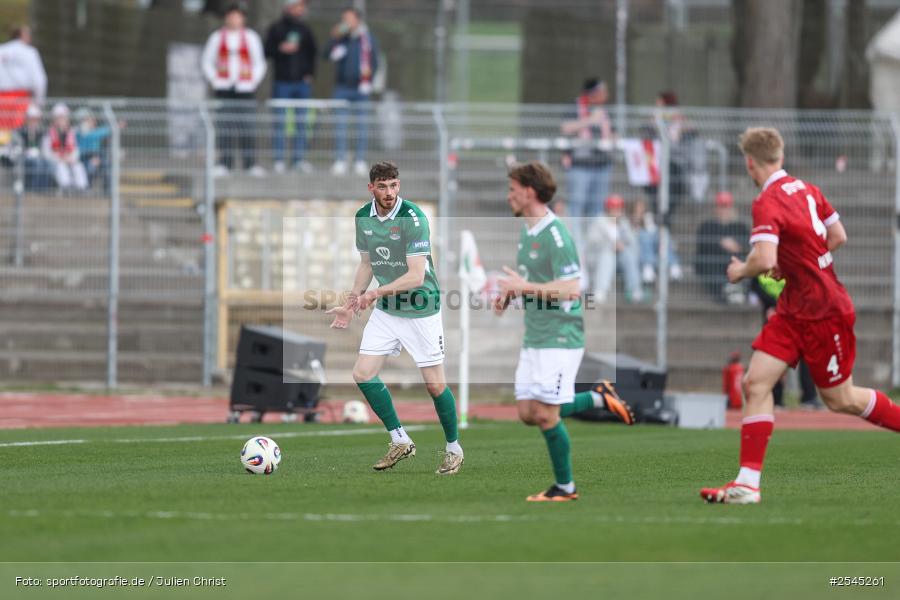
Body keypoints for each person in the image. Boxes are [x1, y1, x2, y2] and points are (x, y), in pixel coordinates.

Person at [700, 127, 900, 505]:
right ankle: (747, 485)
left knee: (841, 400)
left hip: (824, 310)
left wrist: (742, 270)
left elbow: (764, 260)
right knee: (755, 384)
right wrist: (800, 264)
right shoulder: (806, 188)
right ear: (781, 155)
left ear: (749, 162)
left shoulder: (766, 201)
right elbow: (837, 235)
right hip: (795, 308)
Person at [494, 161, 634, 502]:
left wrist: (523, 285)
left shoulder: (556, 235)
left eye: (513, 190)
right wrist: (510, 295)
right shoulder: (528, 230)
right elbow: (536, 284)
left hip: (560, 335)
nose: (508, 196)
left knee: (545, 413)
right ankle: (599, 397)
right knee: (528, 413)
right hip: (536, 335)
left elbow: (572, 289)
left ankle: (566, 487)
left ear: (529, 192)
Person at [325, 161, 463, 475]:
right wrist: (350, 302)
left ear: (399, 185)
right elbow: (367, 264)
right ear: (371, 188)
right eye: (383, 186)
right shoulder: (363, 217)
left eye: (394, 185)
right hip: (389, 311)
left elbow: (416, 276)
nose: (389, 192)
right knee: (362, 373)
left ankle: (454, 448)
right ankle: (400, 439)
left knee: (435, 386)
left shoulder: (413, 218)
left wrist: (374, 294)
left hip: (421, 309)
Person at [201, 3, 267, 177]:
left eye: (237, 16)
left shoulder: (251, 37)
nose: (234, 19)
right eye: (231, 16)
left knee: (247, 127)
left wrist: (253, 81)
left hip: (245, 89)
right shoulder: (217, 37)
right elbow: (207, 61)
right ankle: (225, 163)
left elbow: (259, 62)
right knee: (225, 127)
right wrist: (215, 79)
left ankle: (250, 164)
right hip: (224, 88)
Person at [749, 273, 821, 410]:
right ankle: (777, 399)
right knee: (776, 357)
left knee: (806, 356)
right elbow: (755, 286)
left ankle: (809, 397)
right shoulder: (761, 260)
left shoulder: (791, 261)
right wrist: (771, 304)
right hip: (773, 317)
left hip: (796, 315)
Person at [560, 79, 614, 254]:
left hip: (601, 165)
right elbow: (566, 128)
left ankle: (592, 247)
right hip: (580, 166)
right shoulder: (576, 107)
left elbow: (613, 132)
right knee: (576, 206)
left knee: (596, 208)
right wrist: (589, 120)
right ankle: (577, 247)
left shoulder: (605, 111)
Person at [264, 0, 318, 174]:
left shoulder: (305, 29)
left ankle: (298, 159)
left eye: (302, 6)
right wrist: (280, 48)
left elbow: (313, 52)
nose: (300, 9)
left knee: (301, 123)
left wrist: (310, 74)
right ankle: (279, 160)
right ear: (288, 7)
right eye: (297, 6)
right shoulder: (276, 28)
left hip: (302, 84)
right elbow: (266, 50)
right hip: (282, 82)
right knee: (279, 122)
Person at [325, 8, 379, 177]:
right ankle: (340, 160)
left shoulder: (367, 39)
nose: (346, 22)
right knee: (340, 125)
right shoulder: (341, 39)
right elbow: (326, 55)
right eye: (344, 19)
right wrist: (334, 37)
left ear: (357, 20)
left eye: (349, 19)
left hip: (361, 88)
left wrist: (368, 82)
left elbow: (375, 62)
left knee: (361, 126)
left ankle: (360, 160)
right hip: (342, 88)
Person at [694, 191, 749, 303]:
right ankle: (725, 290)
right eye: (721, 206)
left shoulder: (740, 226)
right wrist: (720, 243)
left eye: (726, 206)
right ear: (716, 208)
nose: (724, 210)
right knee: (706, 262)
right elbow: (701, 246)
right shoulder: (707, 226)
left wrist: (737, 246)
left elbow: (748, 246)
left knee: (744, 262)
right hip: (714, 263)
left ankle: (735, 289)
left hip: (733, 261)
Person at [589, 194, 643, 303]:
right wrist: (610, 245)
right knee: (608, 255)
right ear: (608, 209)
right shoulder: (599, 221)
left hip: (620, 259)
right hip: (600, 258)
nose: (616, 211)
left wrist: (622, 244)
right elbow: (592, 243)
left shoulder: (624, 223)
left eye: (618, 208)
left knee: (628, 254)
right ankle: (601, 289)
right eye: (613, 208)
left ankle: (635, 289)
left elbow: (633, 243)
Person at [0, 26, 47, 131]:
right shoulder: (29, 52)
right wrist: (39, 101)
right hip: (21, 100)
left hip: (2, 100)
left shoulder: (1, 50)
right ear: (22, 35)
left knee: (2, 134)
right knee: (19, 132)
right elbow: (39, 80)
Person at [633, 197, 682, 285]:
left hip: (654, 251)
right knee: (644, 236)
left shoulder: (648, 217)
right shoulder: (628, 221)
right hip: (639, 252)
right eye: (637, 207)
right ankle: (648, 267)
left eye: (641, 206)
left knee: (664, 233)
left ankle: (674, 266)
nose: (640, 209)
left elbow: (652, 231)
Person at [42, 103, 87, 193]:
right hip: (55, 162)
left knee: (78, 166)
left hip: (68, 160)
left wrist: (70, 158)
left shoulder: (72, 133)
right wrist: (59, 158)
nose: (62, 121)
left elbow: (75, 150)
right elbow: (46, 153)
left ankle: (81, 188)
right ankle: (66, 188)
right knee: (61, 166)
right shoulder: (48, 134)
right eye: (59, 118)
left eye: (64, 118)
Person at [15, 103, 52, 191]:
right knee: (36, 163)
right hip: (24, 157)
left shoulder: (42, 131)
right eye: (31, 119)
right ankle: (33, 188)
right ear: (27, 119)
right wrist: (26, 151)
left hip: (39, 156)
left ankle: (43, 188)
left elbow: (44, 146)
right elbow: (18, 146)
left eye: (36, 119)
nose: (34, 121)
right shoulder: (20, 131)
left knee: (47, 163)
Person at [74, 108, 112, 192]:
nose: (93, 122)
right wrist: (111, 128)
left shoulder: (93, 131)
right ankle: (87, 188)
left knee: (107, 164)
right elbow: (92, 136)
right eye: (89, 120)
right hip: (83, 158)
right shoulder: (79, 132)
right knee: (91, 166)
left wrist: (97, 158)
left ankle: (107, 190)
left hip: (96, 157)